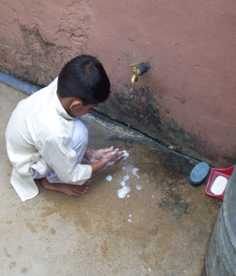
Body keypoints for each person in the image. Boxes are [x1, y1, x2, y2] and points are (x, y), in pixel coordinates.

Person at [5, 55, 124, 201]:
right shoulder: (53, 132)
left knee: (75, 129)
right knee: (80, 133)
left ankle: (57, 170)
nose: (90, 111)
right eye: (91, 108)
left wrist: (90, 153)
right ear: (76, 105)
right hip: (28, 165)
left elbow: (53, 140)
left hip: (24, 141)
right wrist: (102, 163)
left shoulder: (62, 85)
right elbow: (70, 175)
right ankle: (50, 182)